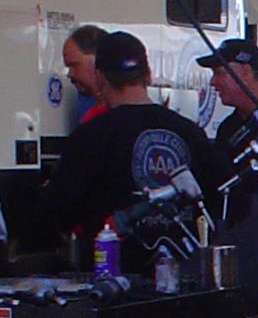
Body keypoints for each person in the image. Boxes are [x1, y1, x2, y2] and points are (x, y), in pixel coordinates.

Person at [44, 31, 230, 271]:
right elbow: (219, 199)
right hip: (184, 276)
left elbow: (57, 213)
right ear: (148, 74)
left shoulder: (89, 137)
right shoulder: (191, 132)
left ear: (100, 77)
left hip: (114, 278)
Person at [198, 38, 258, 224]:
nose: (213, 82)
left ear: (246, 72)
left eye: (220, 73)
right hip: (237, 229)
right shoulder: (227, 128)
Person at [62, 24, 108, 126]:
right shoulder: (87, 110)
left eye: (75, 65)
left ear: (97, 60)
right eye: (68, 67)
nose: (70, 74)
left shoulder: (122, 114)